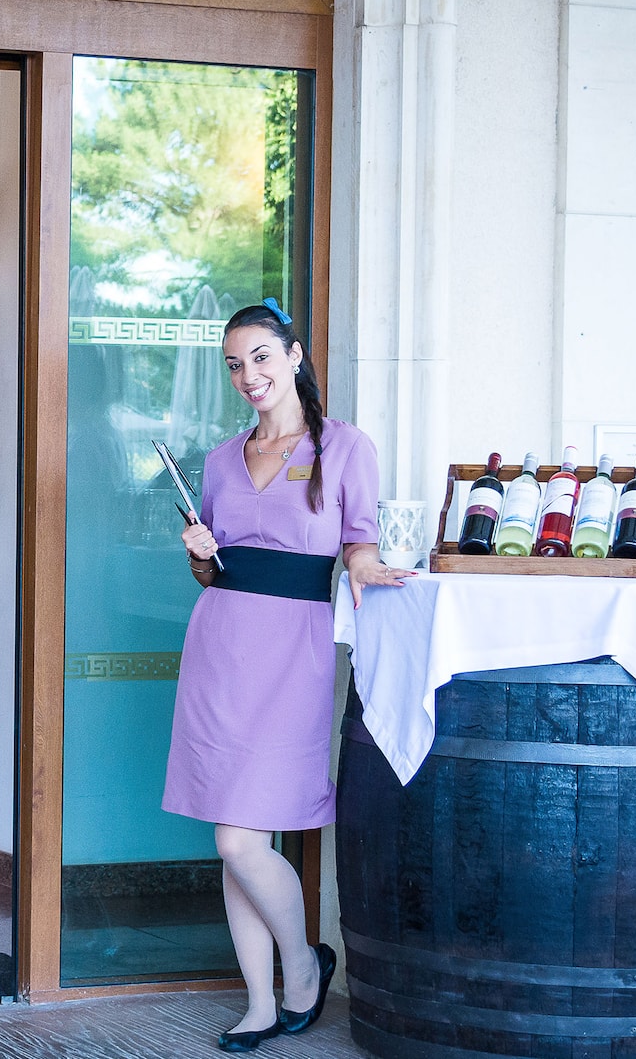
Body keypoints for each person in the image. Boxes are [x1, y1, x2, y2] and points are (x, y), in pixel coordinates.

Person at [168, 299, 408, 1053]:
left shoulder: (344, 447)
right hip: (219, 648)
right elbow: (209, 575)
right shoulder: (217, 459)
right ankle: (262, 1000)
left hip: (293, 652)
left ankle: (303, 965)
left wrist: (366, 562)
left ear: (295, 355)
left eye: (262, 357)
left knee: (243, 838)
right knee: (231, 834)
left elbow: (358, 543)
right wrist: (200, 549)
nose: (250, 375)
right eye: (235, 363)